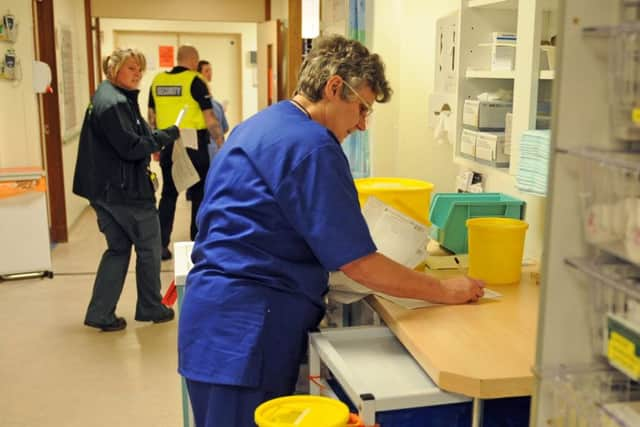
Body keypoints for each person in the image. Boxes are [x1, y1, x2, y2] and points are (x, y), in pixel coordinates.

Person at [178, 35, 485, 426]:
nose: (361, 124)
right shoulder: (312, 145)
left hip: (216, 322)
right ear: (334, 87)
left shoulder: (261, 125)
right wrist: (444, 290)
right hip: (247, 331)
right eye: (361, 108)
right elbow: (360, 264)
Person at [73, 48, 179, 331]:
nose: (138, 73)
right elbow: (130, 146)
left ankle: (100, 312)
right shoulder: (114, 103)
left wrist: (153, 137)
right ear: (114, 69)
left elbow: (131, 137)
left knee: (118, 249)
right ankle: (151, 306)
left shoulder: (109, 97)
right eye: (131, 68)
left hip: (105, 190)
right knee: (149, 247)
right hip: (125, 191)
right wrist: (164, 137)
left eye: (140, 68)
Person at [148, 45, 224, 261]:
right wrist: (220, 141)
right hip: (193, 143)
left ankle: (161, 245)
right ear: (193, 60)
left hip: (167, 143)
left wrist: (154, 145)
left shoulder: (158, 81)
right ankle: (195, 244)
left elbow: (151, 116)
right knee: (199, 194)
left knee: (168, 195)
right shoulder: (195, 81)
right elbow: (209, 116)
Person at [196, 59, 229, 161]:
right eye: (206, 71)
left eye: (210, 70)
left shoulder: (216, 104)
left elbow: (225, 128)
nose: (210, 74)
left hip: (215, 148)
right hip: (207, 149)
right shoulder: (202, 105)